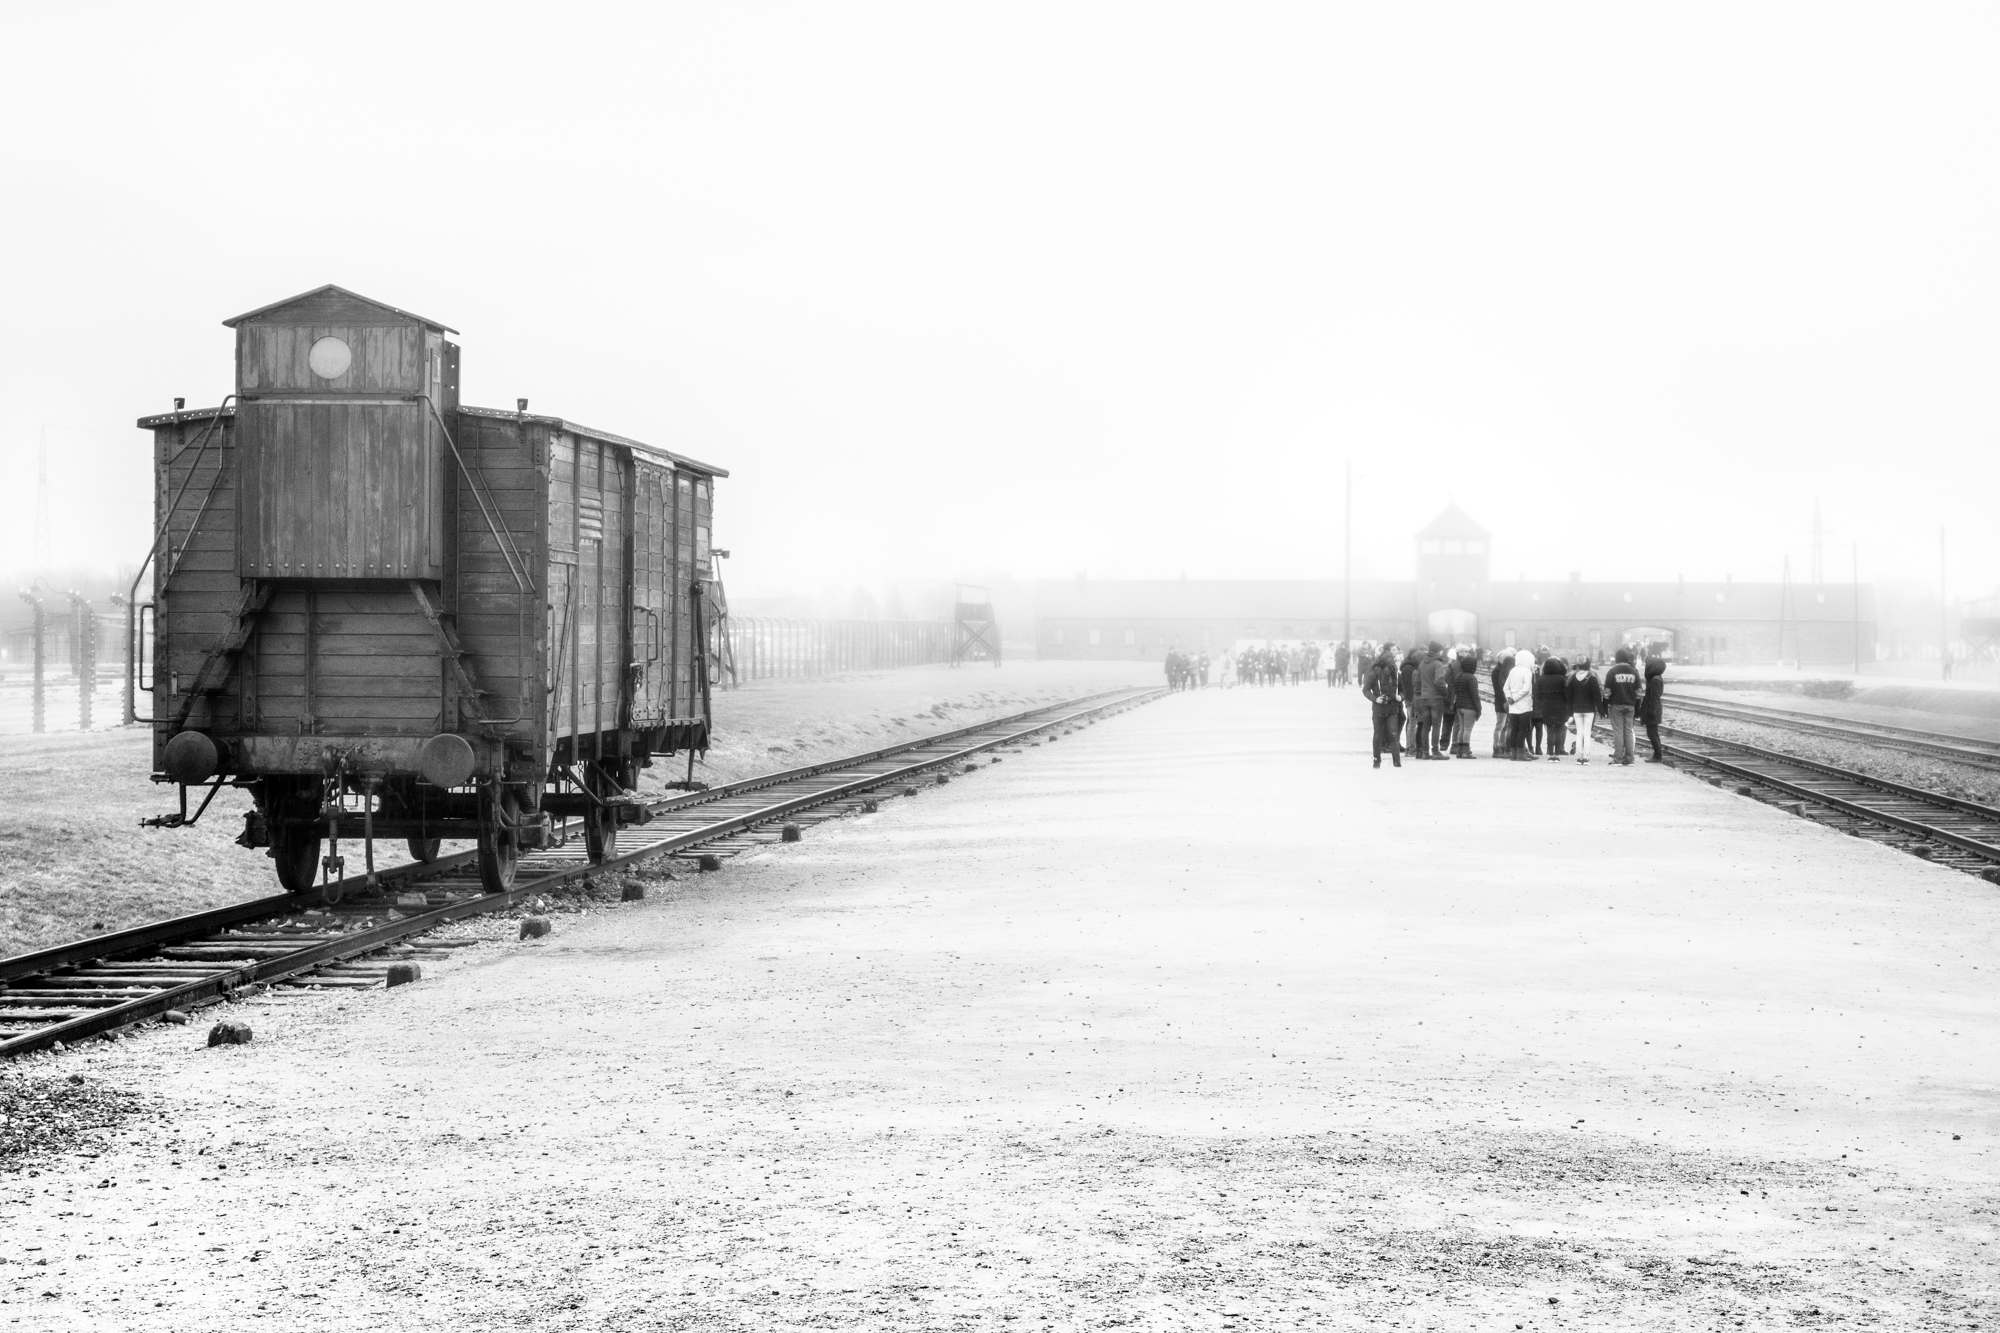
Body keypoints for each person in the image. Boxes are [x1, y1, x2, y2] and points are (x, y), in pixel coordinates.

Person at [1362, 647, 1404, 768]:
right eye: (1391, 662)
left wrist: (1400, 697)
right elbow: (1365, 690)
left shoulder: (1396, 674)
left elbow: (1402, 691)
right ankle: (1376, 760)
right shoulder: (1374, 674)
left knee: (1394, 734)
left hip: (1392, 708)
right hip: (1378, 709)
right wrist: (1375, 698)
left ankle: (1397, 761)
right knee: (1377, 735)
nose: (1393, 664)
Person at [1602, 647, 1644, 765]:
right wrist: (1638, 707)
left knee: (1618, 731)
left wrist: (1605, 705)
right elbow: (1639, 691)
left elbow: (1607, 691)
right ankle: (1630, 759)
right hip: (1631, 705)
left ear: (1616, 658)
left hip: (1616, 705)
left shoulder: (1612, 672)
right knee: (1629, 731)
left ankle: (1618, 759)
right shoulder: (1634, 671)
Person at [1415, 642, 1451, 758]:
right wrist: (1445, 692)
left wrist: (1420, 694)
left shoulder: (1422, 664)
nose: (1442, 652)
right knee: (1436, 726)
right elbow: (1439, 681)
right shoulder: (1438, 663)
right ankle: (1435, 751)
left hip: (1424, 698)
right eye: (1441, 650)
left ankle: (1425, 753)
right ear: (1437, 651)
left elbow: (1417, 682)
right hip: (1436, 698)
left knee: (1426, 726)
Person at [1566, 656, 1604, 763]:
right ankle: (1586, 757)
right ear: (1588, 665)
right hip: (1589, 710)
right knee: (1587, 734)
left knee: (1579, 733)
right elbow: (1597, 696)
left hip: (1577, 710)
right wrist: (1601, 710)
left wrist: (1569, 712)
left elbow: (1569, 698)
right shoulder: (1592, 679)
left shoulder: (1572, 679)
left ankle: (1579, 757)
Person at [1535, 656, 1572, 760]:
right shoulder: (1562, 679)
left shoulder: (1541, 679)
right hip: (1560, 709)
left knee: (1550, 731)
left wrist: (1542, 704)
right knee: (1559, 730)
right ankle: (1557, 754)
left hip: (1546, 708)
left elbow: (1537, 695)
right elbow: (1567, 695)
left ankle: (1550, 753)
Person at [1503, 648, 1536, 759]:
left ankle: (1513, 753)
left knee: (1514, 729)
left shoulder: (1513, 670)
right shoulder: (1527, 671)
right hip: (1524, 705)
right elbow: (1526, 689)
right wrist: (1515, 698)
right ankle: (1521, 754)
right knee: (1523, 729)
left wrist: (1509, 698)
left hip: (1513, 706)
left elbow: (1505, 687)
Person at [1449, 650, 1482, 757]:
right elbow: (1474, 695)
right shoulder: (1471, 678)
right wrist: (1479, 709)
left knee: (1462, 729)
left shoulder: (1459, 675)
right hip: (1469, 707)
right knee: (1467, 729)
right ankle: (1466, 752)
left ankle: (1459, 751)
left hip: (1459, 706)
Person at [1641, 655, 1667, 762]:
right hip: (1653, 708)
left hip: (1653, 708)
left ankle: (1657, 755)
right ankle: (1657, 754)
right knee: (1653, 732)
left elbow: (1655, 697)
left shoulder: (1655, 680)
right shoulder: (1656, 678)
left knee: (1652, 733)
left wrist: (1651, 711)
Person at [1489, 649, 1514, 757]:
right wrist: (1505, 701)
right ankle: (1496, 748)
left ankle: (1503, 746)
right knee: (1500, 726)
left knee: (1505, 726)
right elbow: (1499, 689)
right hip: (1501, 702)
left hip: (1503, 701)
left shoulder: (1501, 670)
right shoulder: (1498, 671)